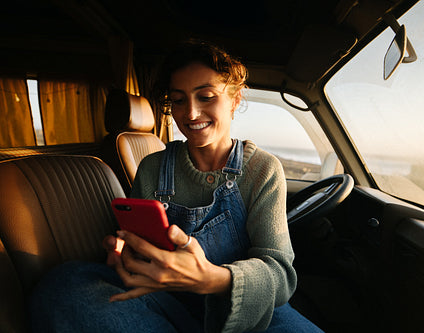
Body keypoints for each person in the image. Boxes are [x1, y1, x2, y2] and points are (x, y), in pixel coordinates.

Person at [29, 40, 323, 333]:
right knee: (65, 285)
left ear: (235, 100)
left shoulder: (262, 169)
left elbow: (279, 274)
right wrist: (124, 251)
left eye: (206, 97)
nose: (191, 114)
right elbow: (136, 244)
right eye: (179, 100)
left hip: (246, 309)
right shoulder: (152, 168)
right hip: (165, 300)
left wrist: (212, 278)